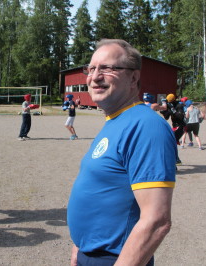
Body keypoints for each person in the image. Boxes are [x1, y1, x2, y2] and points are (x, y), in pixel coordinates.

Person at [67, 39, 176, 266]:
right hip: (90, 254)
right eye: (92, 68)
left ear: (134, 78)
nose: (95, 76)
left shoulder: (146, 126)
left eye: (107, 68)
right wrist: (79, 244)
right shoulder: (115, 121)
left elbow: (157, 221)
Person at [160, 93, 185, 164]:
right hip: (174, 127)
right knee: (171, 141)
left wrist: (172, 109)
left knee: (171, 141)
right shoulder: (170, 105)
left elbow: (180, 117)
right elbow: (166, 117)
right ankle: (176, 159)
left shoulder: (179, 105)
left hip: (181, 126)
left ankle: (176, 159)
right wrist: (164, 111)